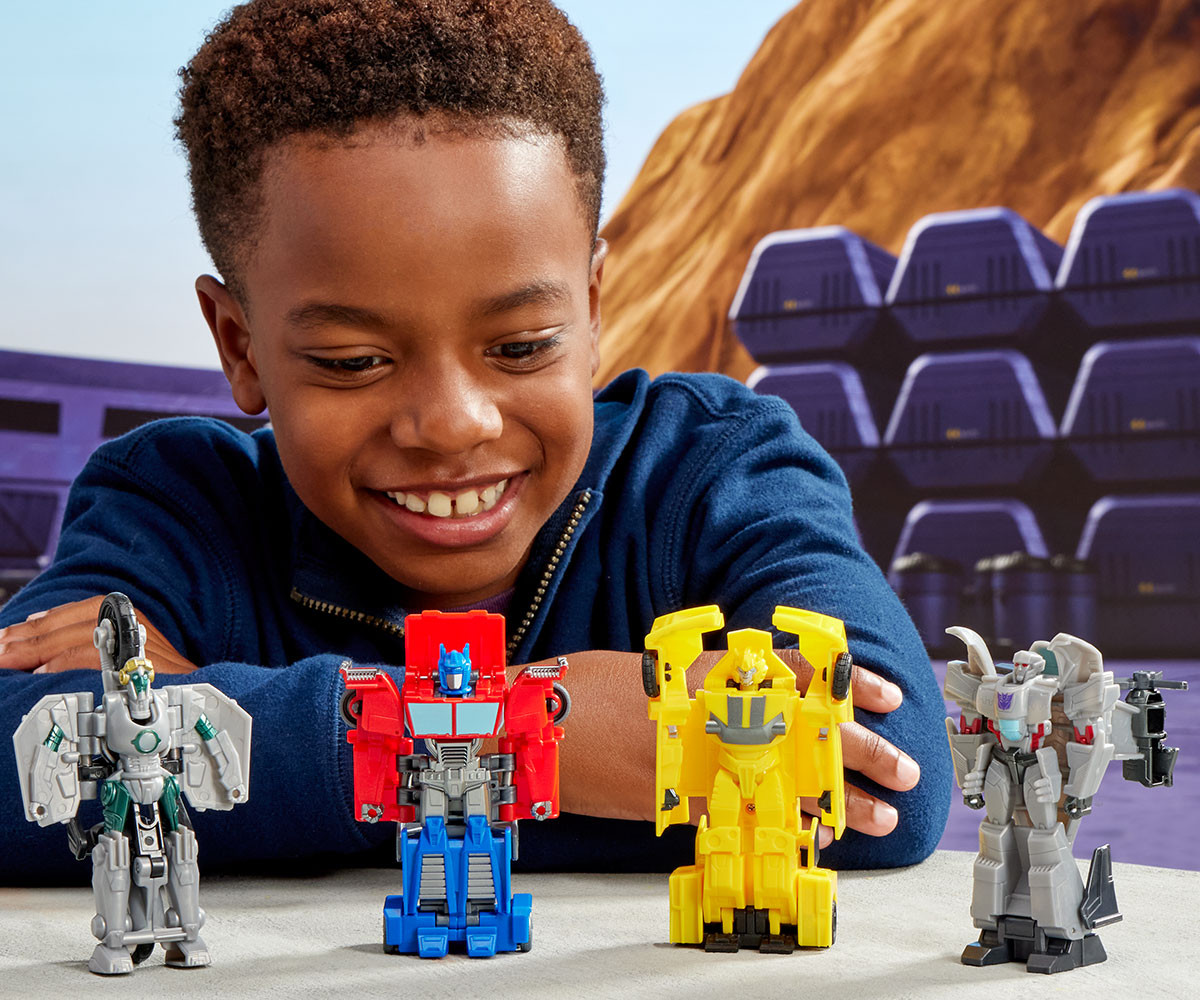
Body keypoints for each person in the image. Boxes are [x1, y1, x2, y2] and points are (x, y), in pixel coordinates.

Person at [0, 0, 950, 884]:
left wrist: (226, 725)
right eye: (353, 360)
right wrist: (533, 737)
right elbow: (16, 759)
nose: (454, 422)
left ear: (592, 307)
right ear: (240, 346)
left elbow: (882, 780)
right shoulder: (174, 507)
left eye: (522, 346)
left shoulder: (715, 466)